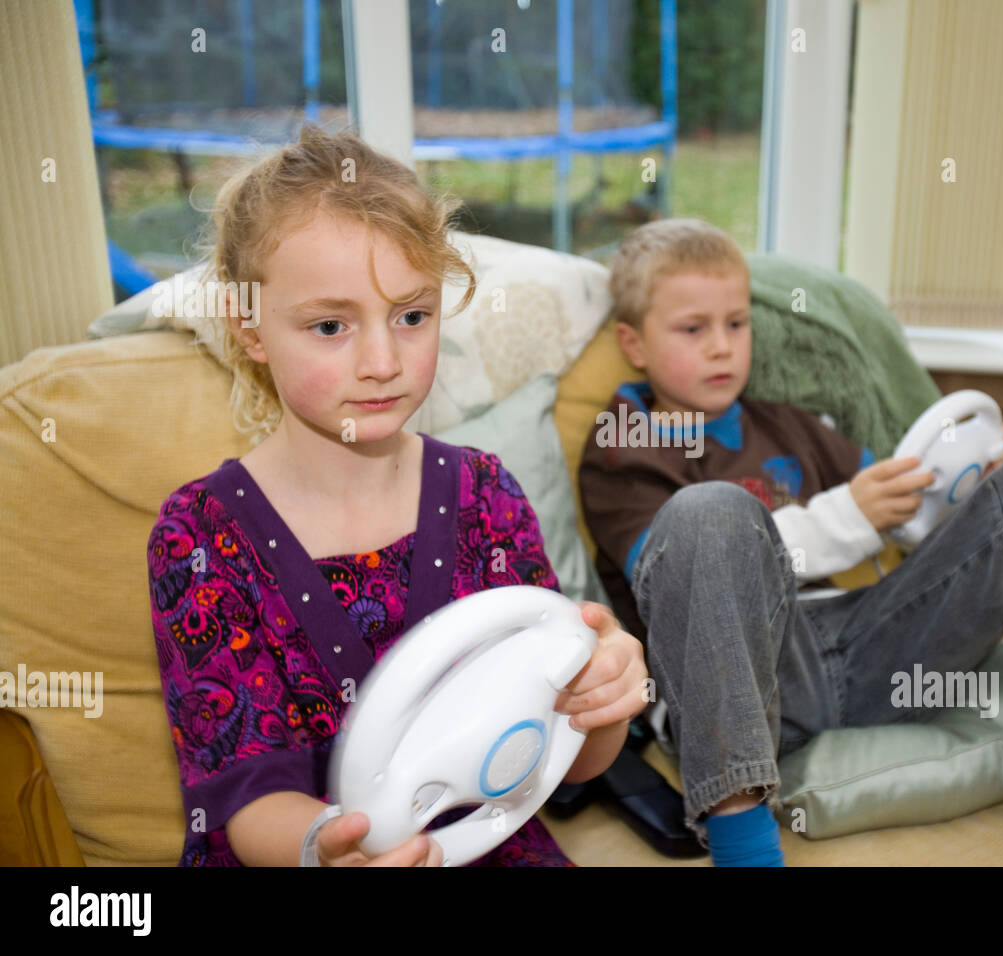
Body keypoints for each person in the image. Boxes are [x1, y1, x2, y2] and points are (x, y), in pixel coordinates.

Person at [578, 218, 1003, 867]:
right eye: (692, 328)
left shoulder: (796, 425)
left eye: (736, 324)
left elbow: (912, 521)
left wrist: (976, 491)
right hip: (750, 686)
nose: (721, 347)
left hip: (879, 652)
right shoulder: (624, 441)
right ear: (634, 343)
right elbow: (672, 580)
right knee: (709, 513)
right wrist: (848, 514)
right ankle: (745, 852)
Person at [146, 123, 647, 867]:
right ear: (249, 329)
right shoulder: (198, 536)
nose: (383, 362)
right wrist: (329, 846)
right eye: (330, 325)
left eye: (412, 316)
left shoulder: (486, 496)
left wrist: (603, 703)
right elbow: (246, 798)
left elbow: (560, 757)